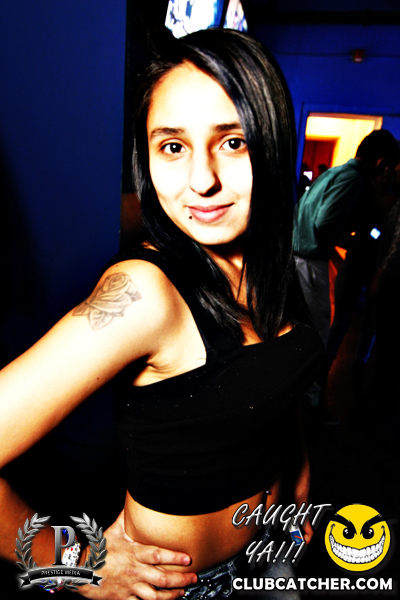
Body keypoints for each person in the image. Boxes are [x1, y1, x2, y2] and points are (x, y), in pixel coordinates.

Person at [0, 29, 322, 599]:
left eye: (233, 142)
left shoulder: (273, 267)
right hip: (177, 589)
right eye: (173, 146)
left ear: (272, 141)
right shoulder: (144, 293)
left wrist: (295, 484)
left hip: (270, 555)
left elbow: (271, 388)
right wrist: (77, 564)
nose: (202, 181)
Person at [293, 130, 399, 424]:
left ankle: (300, 401)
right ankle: (311, 407)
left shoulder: (336, 172)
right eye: (388, 165)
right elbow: (326, 223)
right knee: (318, 336)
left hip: (299, 258)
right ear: (381, 162)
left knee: (303, 332)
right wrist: (355, 243)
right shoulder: (353, 179)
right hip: (309, 262)